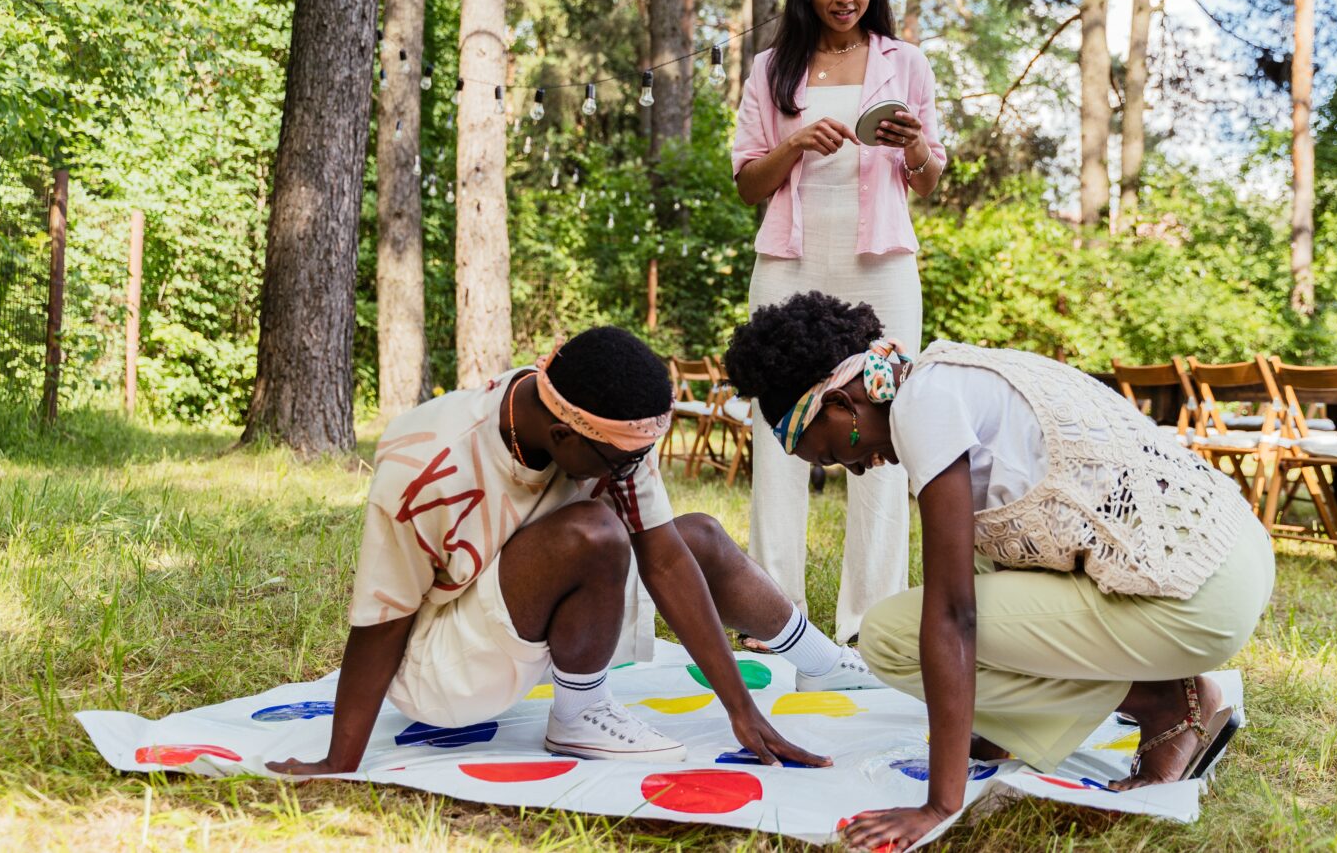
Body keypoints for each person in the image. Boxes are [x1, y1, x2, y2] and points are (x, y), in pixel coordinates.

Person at [721, 293, 1274, 851]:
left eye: (829, 455)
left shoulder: (922, 408)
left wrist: (940, 803)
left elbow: (955, 615)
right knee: (975, 567)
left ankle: (1165, 704)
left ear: (841, 403)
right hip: (1230, 556)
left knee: (891, 635)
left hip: (1194, 597)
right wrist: (984, 726)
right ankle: (1034, 721)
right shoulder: (949, 372)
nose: (856, 468)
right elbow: (996, 558)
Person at [267, 326, 879, 777]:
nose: (636, 470)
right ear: (564, 435)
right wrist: (337, 761)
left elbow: (665, 560)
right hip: (445, 668)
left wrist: (741, 712)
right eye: (625, 461)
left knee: (695, 537)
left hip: (525, 611)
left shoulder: (599, 424)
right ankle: (579, 717)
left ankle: (825, 664)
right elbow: (383, 618)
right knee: (594, 530)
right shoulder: (423, 459)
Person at [731, 0, 948, 645]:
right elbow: (747, 185)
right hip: (790, 265)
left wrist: (915, 143)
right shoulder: (771, 70)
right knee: (777, 435)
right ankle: (772, 617)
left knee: (887, 428)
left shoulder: (905, 62)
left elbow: (930, 178)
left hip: (880, 268)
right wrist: (793, 143)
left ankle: (870, 624)